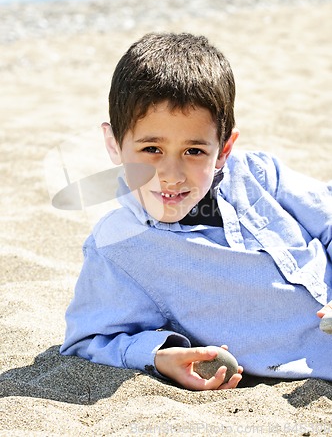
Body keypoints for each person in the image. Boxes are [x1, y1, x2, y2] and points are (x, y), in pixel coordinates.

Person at [60, 32, 332, 391]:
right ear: (114, 145)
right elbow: (88, 340)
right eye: (152, 149)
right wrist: (159, 355)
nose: (171, 175)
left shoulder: (260, 174)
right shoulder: (119, 247)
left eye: (194, 151)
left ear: (224, 149)